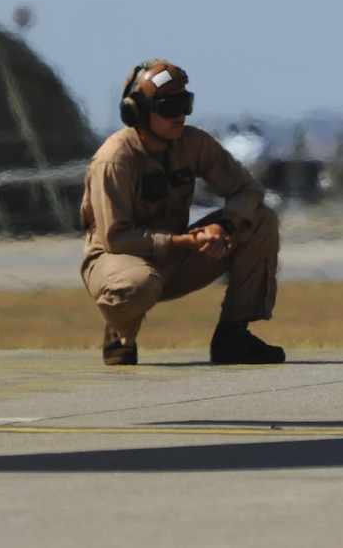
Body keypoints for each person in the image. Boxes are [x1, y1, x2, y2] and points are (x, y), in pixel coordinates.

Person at [80, 59, 284, 366]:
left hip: (174, 256)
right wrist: (186, 242)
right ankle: (121, 333)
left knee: (261, 219)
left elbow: (249, 190)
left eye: (185, 104)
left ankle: (233, 334)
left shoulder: (193, 144)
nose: (180, 115)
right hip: (116, 260)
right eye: (168, 107)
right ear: (137, 112)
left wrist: (225, 227)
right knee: (137, 284)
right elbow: (116, 238)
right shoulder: (114, 160)